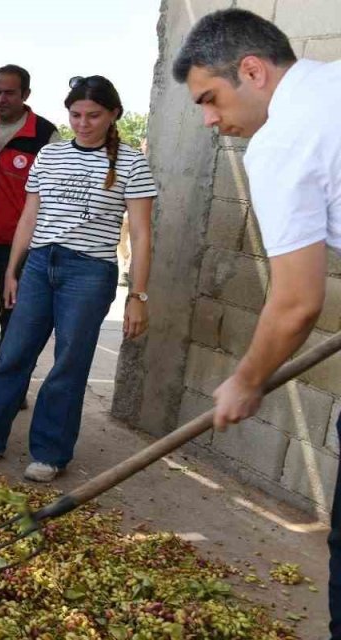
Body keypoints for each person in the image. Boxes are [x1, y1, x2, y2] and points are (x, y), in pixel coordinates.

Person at [172, 9, 341, 635]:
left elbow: (297, 302)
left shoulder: (284, 140)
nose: (212, 121)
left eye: (210, 99)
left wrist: (246, 379)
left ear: (252, 70)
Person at [0, 75, 155, 481]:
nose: (83, 123)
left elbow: (141, 233)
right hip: (38, 265)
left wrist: (138, 295)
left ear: (113, 114)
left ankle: (50, 452)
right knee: (13, 354)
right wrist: (13, 270)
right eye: (76, 114)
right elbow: (30, 216)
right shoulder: (50, 156)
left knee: (68, 364)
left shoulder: (132, 163)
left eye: (93, 115)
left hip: (89, 272)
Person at [0, 64, 61, 407]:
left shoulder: (45, 136)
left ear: (26, 95)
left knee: (15, 321)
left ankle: (11, 390)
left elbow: (51, 197)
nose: (1, 99)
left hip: (19, 248)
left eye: (10, 93)